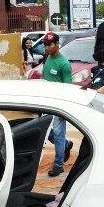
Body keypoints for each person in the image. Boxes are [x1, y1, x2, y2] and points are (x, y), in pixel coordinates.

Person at [40, 32, 74, 177]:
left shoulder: (64, 64)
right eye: (46, 45)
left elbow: (68, 88)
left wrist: (64, 108)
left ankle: (58, 165)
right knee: (45, 132)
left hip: (59, 105)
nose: (47, 47)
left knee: (58, 134)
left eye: (50, 44)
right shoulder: (47, 58)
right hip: (46, 102)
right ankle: (66, 145)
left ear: (57, 44)